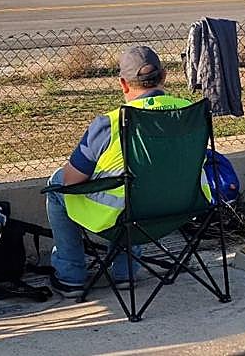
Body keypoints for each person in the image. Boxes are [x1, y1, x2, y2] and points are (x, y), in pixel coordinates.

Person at [45, 45, 203, 296]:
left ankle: (71, 275)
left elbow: (72, 180)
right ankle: (124, 272)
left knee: (56, 185)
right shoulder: (190, 112)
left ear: (123, 84)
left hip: (123, 219)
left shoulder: (112, 122)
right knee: (140, 190)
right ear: (164, 76)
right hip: (180, 210)